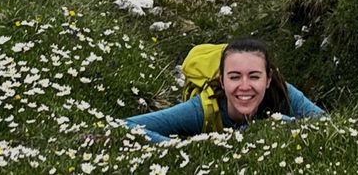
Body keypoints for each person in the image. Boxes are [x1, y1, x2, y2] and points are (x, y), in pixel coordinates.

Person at [125, 37, 324, 143]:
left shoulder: (282, 93)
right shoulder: (204, 108)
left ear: (268, 79)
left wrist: (280, 124)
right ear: (222, 80)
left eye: (254, 76)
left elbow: (327, 127)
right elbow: (126, 125)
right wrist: (180, 148)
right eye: (234, 76)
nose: (244, 86)